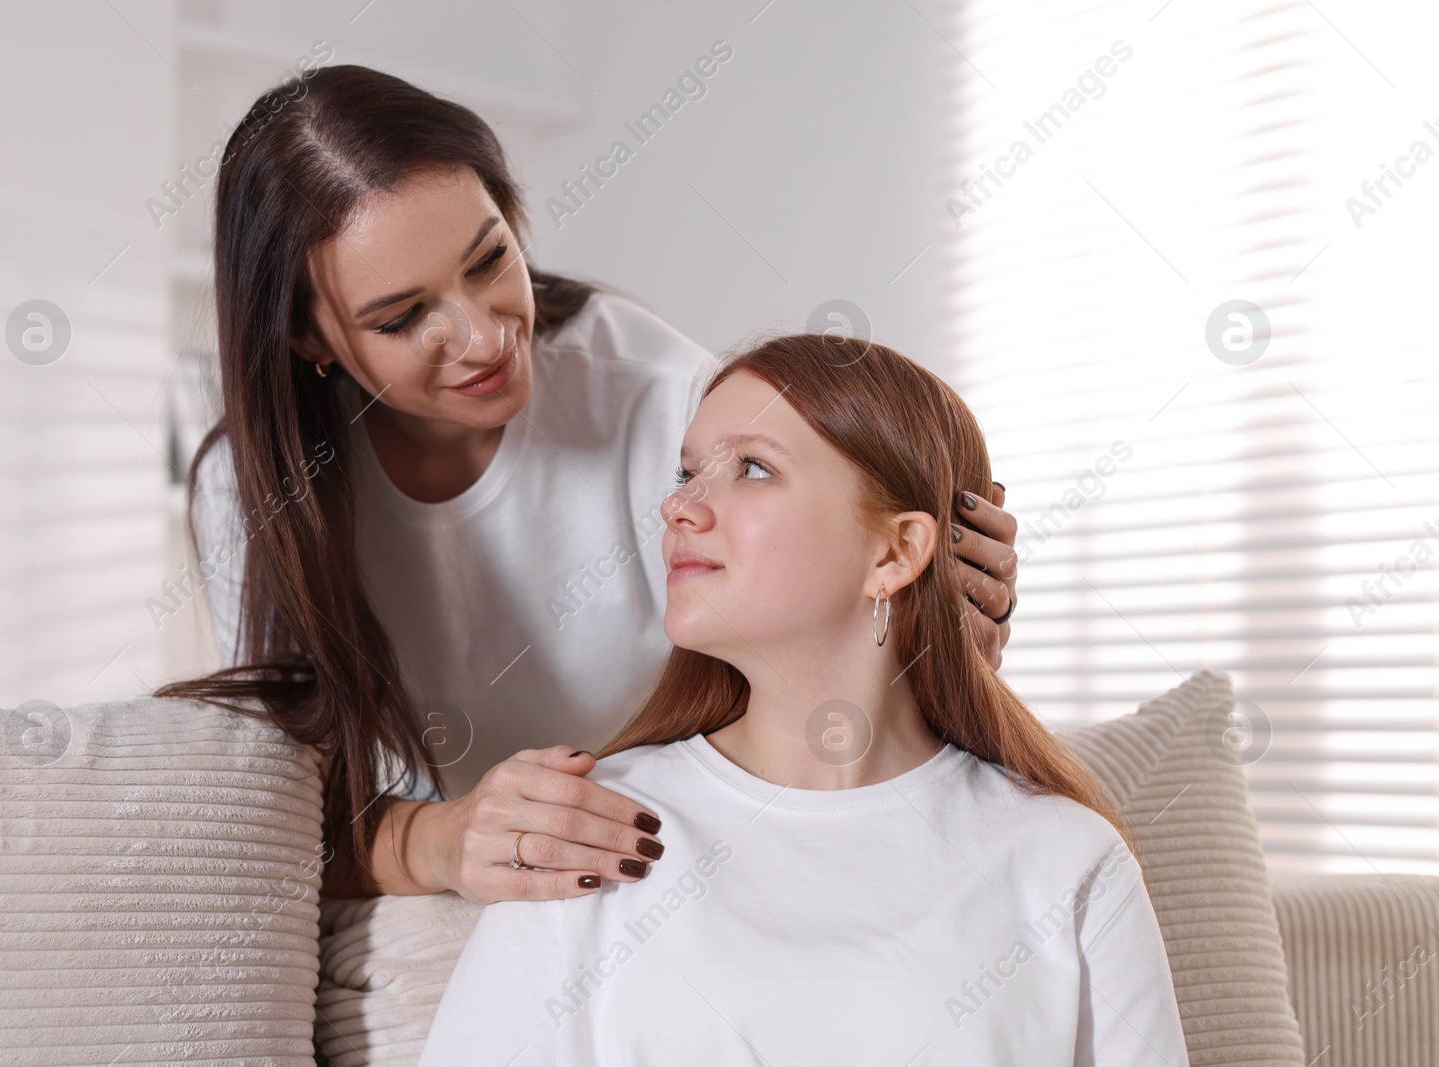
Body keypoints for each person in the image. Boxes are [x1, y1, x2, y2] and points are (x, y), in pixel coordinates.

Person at [159, 65, 1022, 905]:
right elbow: (281, 813)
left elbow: (836, 651)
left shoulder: (659, 395)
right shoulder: (254, 489)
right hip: (510, 871)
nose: (481, 336)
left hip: (698, 839)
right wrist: (446, 841)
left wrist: (936, 626)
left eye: (490, 259)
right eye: (402, 317)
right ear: (309, 340)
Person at [416, 333, 1188, 1066]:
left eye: (752, 468)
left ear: (895, 550)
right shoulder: (586, 830)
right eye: (687, 473)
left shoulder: (1066, 861)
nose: (679, 507)